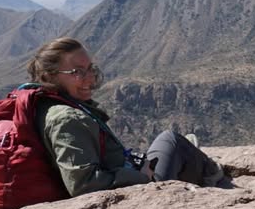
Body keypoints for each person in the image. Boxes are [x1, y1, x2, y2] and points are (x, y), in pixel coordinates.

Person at [25, 36, 223, 197]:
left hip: (124, 177)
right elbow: (83, 185)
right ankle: (213, 181)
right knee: (172, 140)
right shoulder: (66, 119)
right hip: (134, 194)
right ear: (49, 77)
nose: (90, 78)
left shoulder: (43, 104)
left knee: (176, 143)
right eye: (77, 72)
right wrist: (141, 176)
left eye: (90, 69)